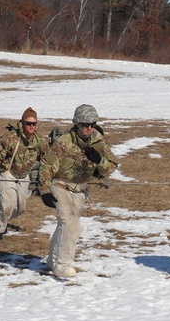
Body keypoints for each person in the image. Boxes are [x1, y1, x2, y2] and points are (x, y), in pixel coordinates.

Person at [37, 104, 119, 278]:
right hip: (60, 185)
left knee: (65, 225)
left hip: (80, 189)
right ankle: (63, 264)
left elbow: (111, 167)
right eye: (85, 124)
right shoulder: (64, 142)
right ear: (76, 124)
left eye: (93, 124)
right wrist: (44, 190)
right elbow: (46, 165)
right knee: (71, 223)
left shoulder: (98, 140)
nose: (89, 128)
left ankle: (52, 260)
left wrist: (98, 161)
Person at [0, 107, 49, 240]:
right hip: (8, 174)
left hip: (24, 176)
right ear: (22, 123)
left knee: (21, 209)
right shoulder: (11, 138)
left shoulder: (40, 141)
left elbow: (48, 160)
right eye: (28, 123)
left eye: (34, 124)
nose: (31, 126)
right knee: (7, 206)